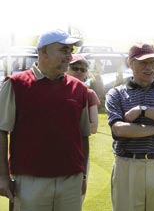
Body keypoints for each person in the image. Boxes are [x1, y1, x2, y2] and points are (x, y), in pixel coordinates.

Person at [0, 29, 89, 211]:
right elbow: (1, 132)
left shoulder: (79, 89)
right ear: (43, 52)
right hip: (29, 182)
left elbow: (83, 135)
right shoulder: (16, 84)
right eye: (63, 50)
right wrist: (2, 176)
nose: (69, 56)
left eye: (70, 51)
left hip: (70, 181)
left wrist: (83, 176)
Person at [105, 42, 154, 211]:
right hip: (127, 164)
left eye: (152, 62)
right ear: (130, 63)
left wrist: (143, 110)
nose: (149, 68)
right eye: (143, 62)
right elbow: (119, 129)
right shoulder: (117, 93)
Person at [68, 54, 100, 134]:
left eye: (83, 70)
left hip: (80, 143)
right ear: (66, 69)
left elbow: (94, 128)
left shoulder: (90, 94)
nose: (79, 71)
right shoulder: (58, 90)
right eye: (75, 68)